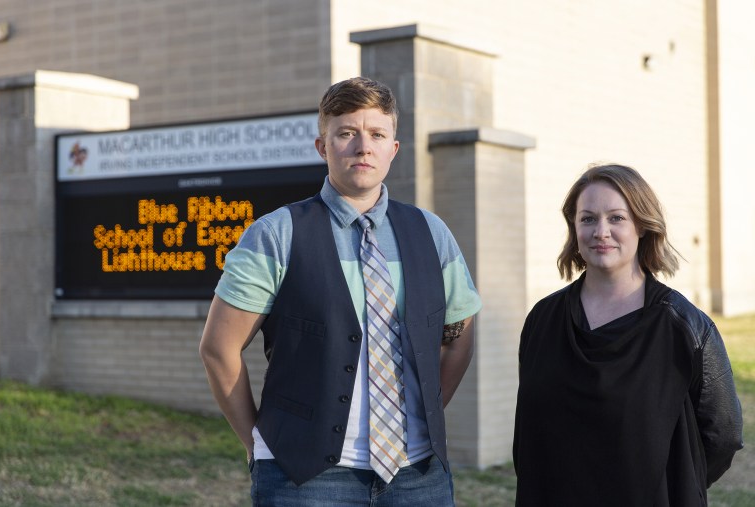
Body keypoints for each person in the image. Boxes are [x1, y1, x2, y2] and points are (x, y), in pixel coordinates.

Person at [199, 76, 481, 506]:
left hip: (418, 477)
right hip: (306, 479)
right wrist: (258, 445)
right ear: (322, 146)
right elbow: (219, 348)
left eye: (377, 134)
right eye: (346, 133)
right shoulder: (277, 234)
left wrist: (425, 416)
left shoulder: (432, 233)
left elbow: (457, 340)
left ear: (393, 149)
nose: (363, 146)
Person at [512, 163, 743, 506]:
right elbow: (532, 432)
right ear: (574, 229)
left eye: (616, 218)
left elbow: (723, 434)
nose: (601, 231)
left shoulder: (685, 328)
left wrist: (668, 481)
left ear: (642, 226)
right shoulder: (543, 320)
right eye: (588, 219)